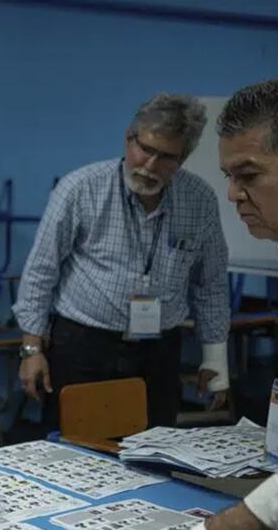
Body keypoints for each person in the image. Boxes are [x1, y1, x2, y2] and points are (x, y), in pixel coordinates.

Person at [105, 77, 278, 530]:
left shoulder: (199, 204)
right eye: (229, 175)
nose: (232, 193)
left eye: (248, 175)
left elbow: (210, 286)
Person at [13, 93, 231, 429]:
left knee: (153, 458)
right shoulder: (80, 189)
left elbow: (212, 283)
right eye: (145, 149)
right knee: (75, 457)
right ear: (129, 138)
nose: (149, 166)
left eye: (166, 157)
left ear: (183, 159)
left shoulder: (199, 199)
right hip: (83, 347)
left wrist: (215, 360)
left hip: (158, 352)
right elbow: (41, 272)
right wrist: (31, 350)